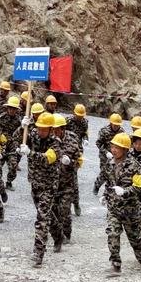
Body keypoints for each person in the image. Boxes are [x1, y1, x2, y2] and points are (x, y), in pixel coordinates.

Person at [17, 112, 62, 267]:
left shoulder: (56, 144)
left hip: (48, 186)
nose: (40, 131)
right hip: (35, 183)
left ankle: (38, 253)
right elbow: (19, 140)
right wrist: (22, 127)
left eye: (44, 129)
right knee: (46, 214)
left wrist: (30, 153)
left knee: (42, 218)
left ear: (51, 129)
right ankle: (58, 234)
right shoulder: (34, 135)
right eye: (39, 128)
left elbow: (46, 159)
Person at [103, 132, 141, 275]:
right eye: (113, 146)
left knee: (136, 239)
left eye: (117, 147)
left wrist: (125, 191)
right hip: (114, 209)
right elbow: (109, 184)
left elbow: (139, 187)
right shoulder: (109, 164)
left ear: (125, 149)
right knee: (112, 234)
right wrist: (105, 195)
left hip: (131, 210)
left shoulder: (134, 165)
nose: (114, 150)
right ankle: (116, 265)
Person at [51, 114, 81, 244]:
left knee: (64, 210)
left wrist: (71, 162)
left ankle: (67, 233)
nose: (54, 132)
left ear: (63, 129)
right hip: (52, 183)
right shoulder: (49, 141)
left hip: (67, 183)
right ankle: (58, 233)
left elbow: (79, 162)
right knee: (54, 210)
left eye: (57, 129)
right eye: (53, 129)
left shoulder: (72, 142)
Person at [0, 96, 22, 196]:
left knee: (13, 166)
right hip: (2, 146)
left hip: (12, 147)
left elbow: (21, 133)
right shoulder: (0, 118)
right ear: (7, 108)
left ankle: (9, 182)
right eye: (10, 108)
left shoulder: (19, 121)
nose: (11, 110)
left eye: (14, 108)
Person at [66, 103, 89, 216]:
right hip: (65, 150)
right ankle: (65, 205)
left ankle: (76, 203)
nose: (80, 118)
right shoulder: (68, 121)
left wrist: (85, 139)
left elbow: (85, 133)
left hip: (77, 152)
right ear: (74, 113)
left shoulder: (84, 122)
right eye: (78, 116)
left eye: (81, 116)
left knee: (73, 180)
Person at [94, 113, 125, 194]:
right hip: (105, 156)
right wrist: (106, 152)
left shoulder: (121, 132)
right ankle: (97, 185)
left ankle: (109, 191)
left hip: (117, 155)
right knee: (104, 173)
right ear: (111, 123)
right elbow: (98, 143)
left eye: (117, 125)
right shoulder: (104, 131)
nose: (116, 126)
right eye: (114, 125)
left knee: (114, 173)